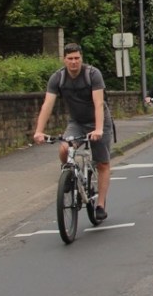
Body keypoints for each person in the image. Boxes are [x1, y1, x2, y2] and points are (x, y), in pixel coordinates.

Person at [33, 43, 112, 221]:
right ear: (64, 60)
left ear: (81, 58)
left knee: (103, 163)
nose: (74, 62)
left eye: (77, 58)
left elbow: (98, 103)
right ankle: (68, 174)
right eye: (70, 59)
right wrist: (39, 131)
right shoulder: (58, 78)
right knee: (64, 149)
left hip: (99, 121)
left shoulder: (92, 74)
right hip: (76, 122)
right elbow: (47, 105)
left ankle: (100, 204)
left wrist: (98, 129)